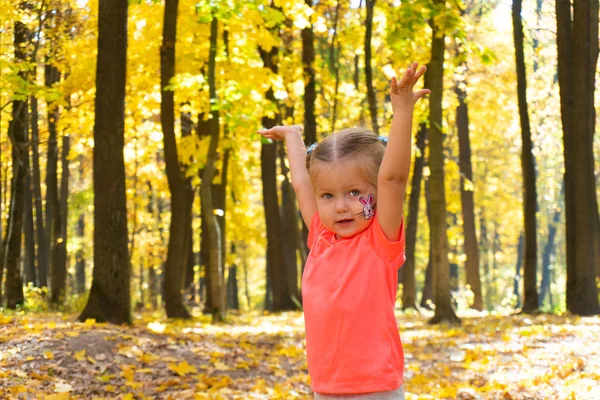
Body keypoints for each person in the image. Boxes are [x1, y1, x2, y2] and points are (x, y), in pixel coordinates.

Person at [258, 62, 430, 399]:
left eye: (354, 192)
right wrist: (293, 136)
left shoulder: (380, 240)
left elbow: (393, 178)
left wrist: (402, 113)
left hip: (376, 386)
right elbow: (300, 184)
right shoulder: (322, 237)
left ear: (376, 196)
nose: (341, 206)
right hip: (326, 386)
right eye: (328, 195)